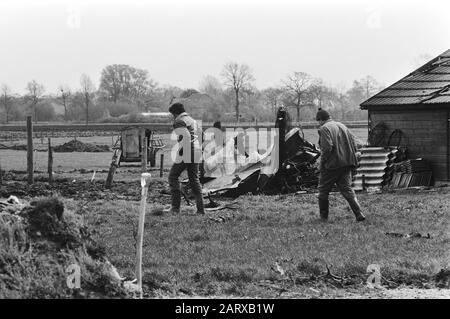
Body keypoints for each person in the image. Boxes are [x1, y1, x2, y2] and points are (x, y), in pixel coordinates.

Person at [316, 108, 365, 222]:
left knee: (323, 190)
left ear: (320, 120)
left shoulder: (324, 128)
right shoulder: (342, 125)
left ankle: (323, 218)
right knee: (347, 189)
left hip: (332, 165)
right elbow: (354, 143)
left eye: (318, 121)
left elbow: (327, 148)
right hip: (347, 163)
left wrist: (322, 163)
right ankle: (359, 213)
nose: (318, 123)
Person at [165, 102, 205, 214]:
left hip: (187, 151)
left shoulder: (179, 121)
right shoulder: (192, 120)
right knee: (194, 180)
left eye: (172, 114)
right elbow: (203, 136)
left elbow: (186, 136)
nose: (173, 117)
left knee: (173, 176)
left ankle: (175, 208)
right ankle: (201, 210)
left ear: (175, 113)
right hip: (197, 151)